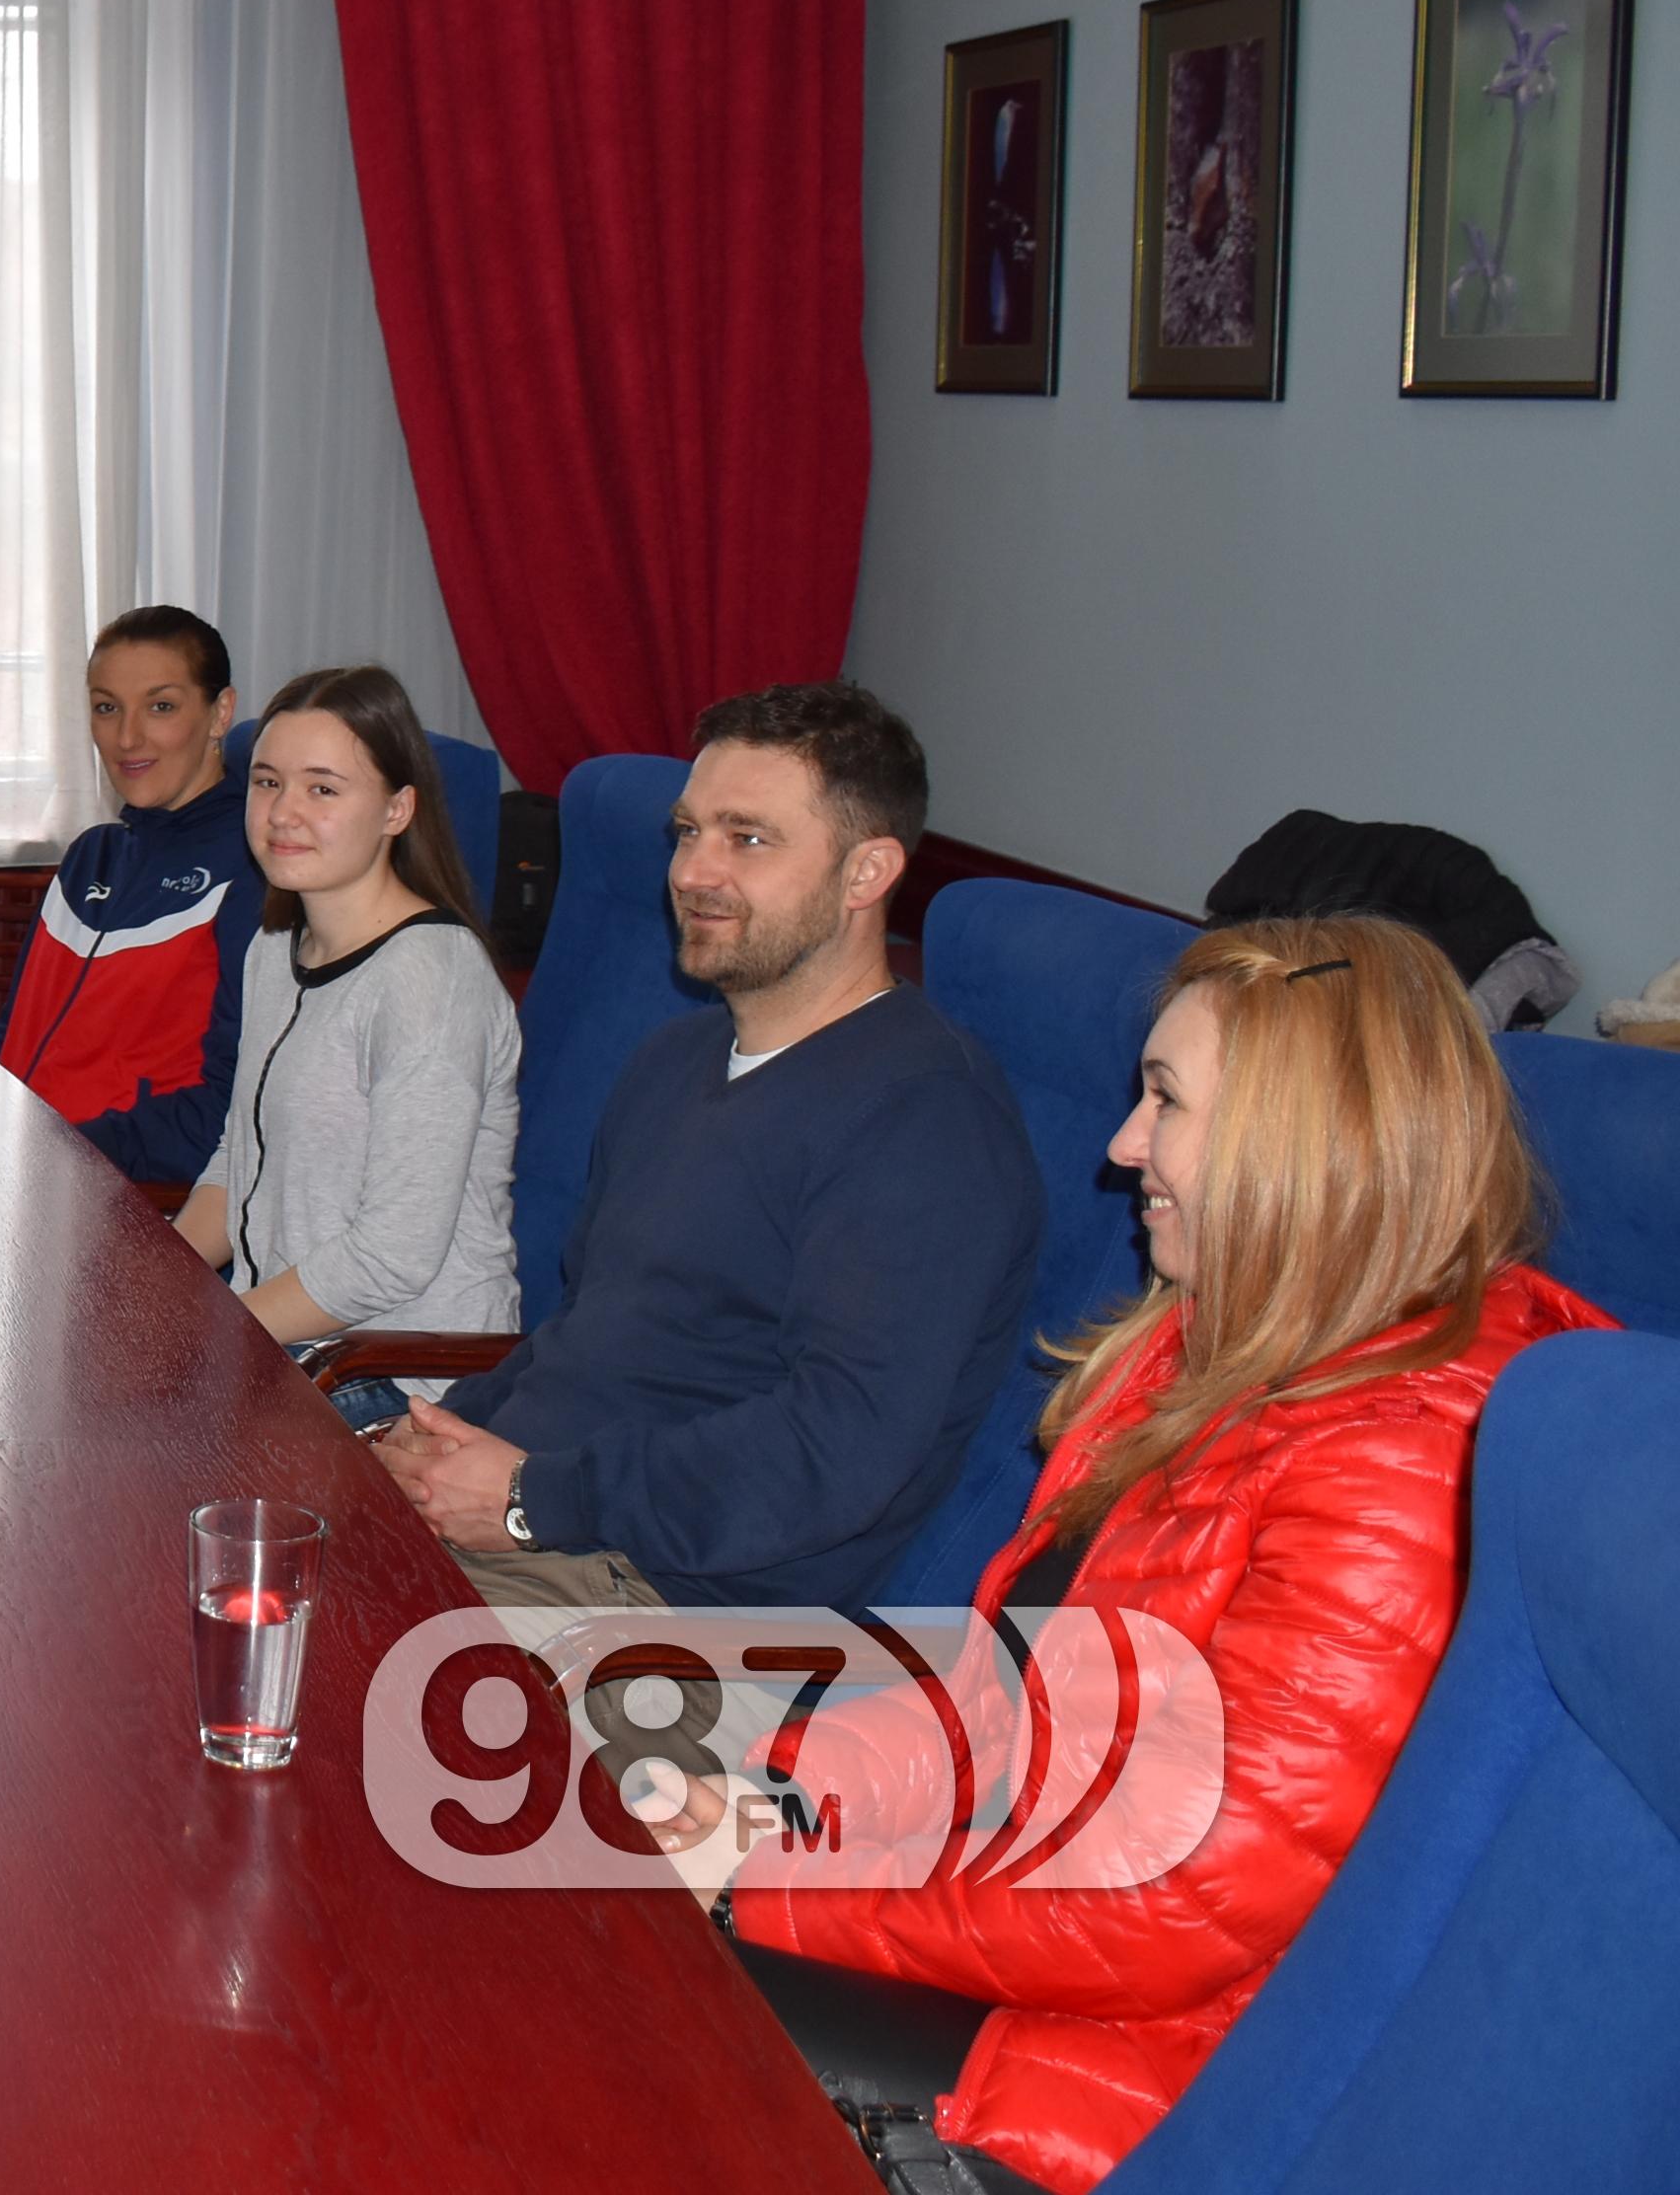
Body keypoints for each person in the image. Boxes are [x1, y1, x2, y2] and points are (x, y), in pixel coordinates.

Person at [686, 916, 1616, 2194]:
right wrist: (787, 1802)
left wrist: (765, 1881)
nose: (1122, 1147)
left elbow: (1173, 1899)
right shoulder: (1205, 1342)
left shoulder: (1408, 1464)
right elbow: (1010, 1703)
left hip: (1150, 2067)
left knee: (632, 2004)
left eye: (1165, 1101)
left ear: (1296, 1139)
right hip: (1019, 1939)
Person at [370, 681, 1035, 1610]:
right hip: (523, 1516)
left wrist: (530, 1500)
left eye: (747, 838)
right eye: (688, 832)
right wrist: (438, 1433)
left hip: (659, 1600)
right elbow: (593, 1330)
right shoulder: (673, 1060)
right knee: (217, 1553)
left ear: (866, 873)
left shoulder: (927, 1124)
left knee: (298, 1657)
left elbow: (831, 1456)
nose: (692, 871)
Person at [183, 664, 519, 1416]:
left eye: (323, 789)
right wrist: (155, 1289)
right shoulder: (274, 950)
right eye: (268, 783)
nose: (283, 813)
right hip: (291, 1343)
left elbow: (392, 1255)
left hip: (400, 1372)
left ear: (397, 810)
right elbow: (242, 1157)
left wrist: (209, 1332)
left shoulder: (430, 981)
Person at [0, 605, 264, 1191]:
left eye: (161, 707)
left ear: (220, 714)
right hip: (25, 1178)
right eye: (106, 707)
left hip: (135, 1201)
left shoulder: (252, 871)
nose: (127, 737)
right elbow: (13, 1038)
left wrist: (57, 1152)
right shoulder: (91, 856)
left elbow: (230, 1112)